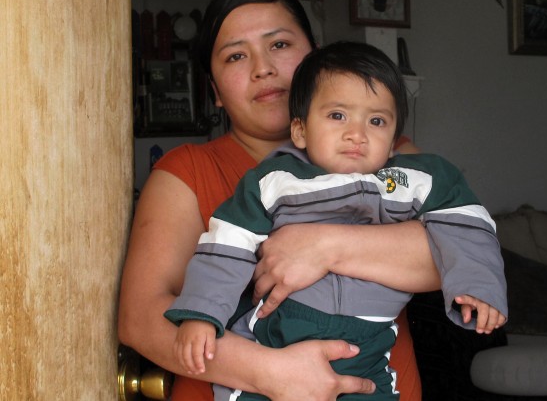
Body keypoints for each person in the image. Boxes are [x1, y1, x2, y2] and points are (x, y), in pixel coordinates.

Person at [118, 0, 436, 401]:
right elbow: (140, 319)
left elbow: (456, 253)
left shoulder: (389, 157)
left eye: (280, 45)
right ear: (214, 91)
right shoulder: (186, 172)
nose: (262, 67)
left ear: (317, 57)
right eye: (235, 55)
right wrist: (270, 372)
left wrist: (323, 246)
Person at [165, 41, 508, 401]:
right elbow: (225, 246)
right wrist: (202, 314)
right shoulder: (274, 182)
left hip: (367, 348)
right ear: (300, 130)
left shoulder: (406, 181)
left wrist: (479, 284)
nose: (356, 134)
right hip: (280, 334)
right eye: (338, 116)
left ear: (393, 141)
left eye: (376, 121)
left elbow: (465, 219)